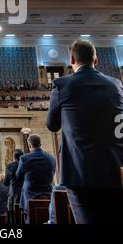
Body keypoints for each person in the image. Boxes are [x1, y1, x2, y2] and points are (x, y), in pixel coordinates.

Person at [47, 39, 123, 224]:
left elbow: (52, 125)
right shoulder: (116, 85)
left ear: (72, 59)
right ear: (96, 61)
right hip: (115, 169)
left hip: (80, 172)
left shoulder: (62, 85)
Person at [16, 134, 55, 222]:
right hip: (48, 198)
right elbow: (52, 174)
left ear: (29, 145)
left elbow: (18, 176)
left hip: (30, 198)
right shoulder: (51, 158)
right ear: (40, 144)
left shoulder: (24, 158)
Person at [4, 148, 23, 224]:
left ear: (14, 156)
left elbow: (6, 183)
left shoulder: (10, 166)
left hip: (13, 195)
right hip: (24, 195)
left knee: (13, 219)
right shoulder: (26, 164)